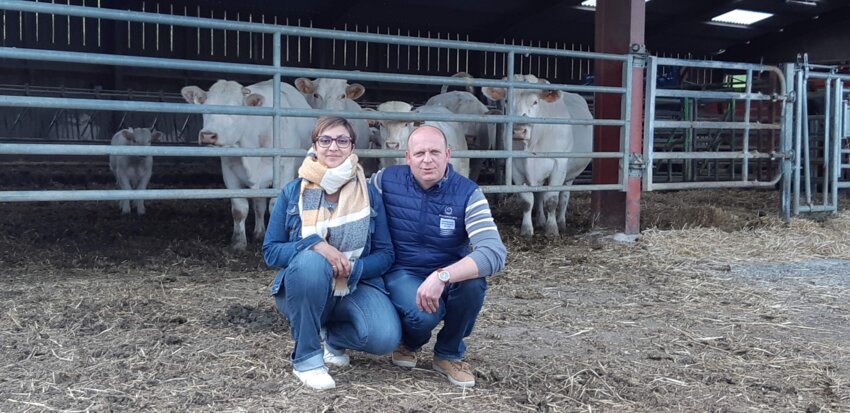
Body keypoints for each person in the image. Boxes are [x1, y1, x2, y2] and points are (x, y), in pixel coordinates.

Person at [263, 116, 400, 391]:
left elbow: (386, 254)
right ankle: (307, 359)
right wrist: (314, 244)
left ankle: (333, 337)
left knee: (385, 338)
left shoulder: (370, 194)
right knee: (314, 261)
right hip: (304, 287)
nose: (333, 147)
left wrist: (353, 268)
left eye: (342, 140)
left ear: (352, 147)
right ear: (314, 145)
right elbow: (271, 251)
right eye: (325, 140)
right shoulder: (293, 192)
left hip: (355, 285)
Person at [370, 125, 507, 388]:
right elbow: (349, 191)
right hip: (403, 271)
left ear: (448, 154)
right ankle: (410, 342)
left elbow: (493, 253)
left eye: (435, 151)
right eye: (419, 153)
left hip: (447, 271)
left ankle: (448, 354)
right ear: (408, 157)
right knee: (424, 315)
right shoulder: (385, 180)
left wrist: (442, 276)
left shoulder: (468, 193)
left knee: (473, 283)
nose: (427, 159)